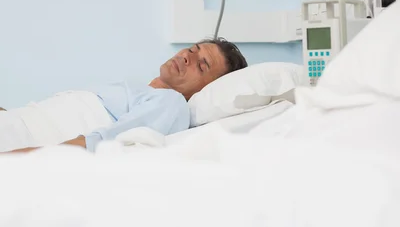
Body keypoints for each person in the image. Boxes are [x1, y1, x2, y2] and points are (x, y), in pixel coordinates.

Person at [0, 38, 247, 154]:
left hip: (20, 144)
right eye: (192, 50)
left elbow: (98, 145)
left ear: (206, 90)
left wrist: (14, 161)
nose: (186, 56)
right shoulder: (141, 92)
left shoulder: (170, 103)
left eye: (201, 65)